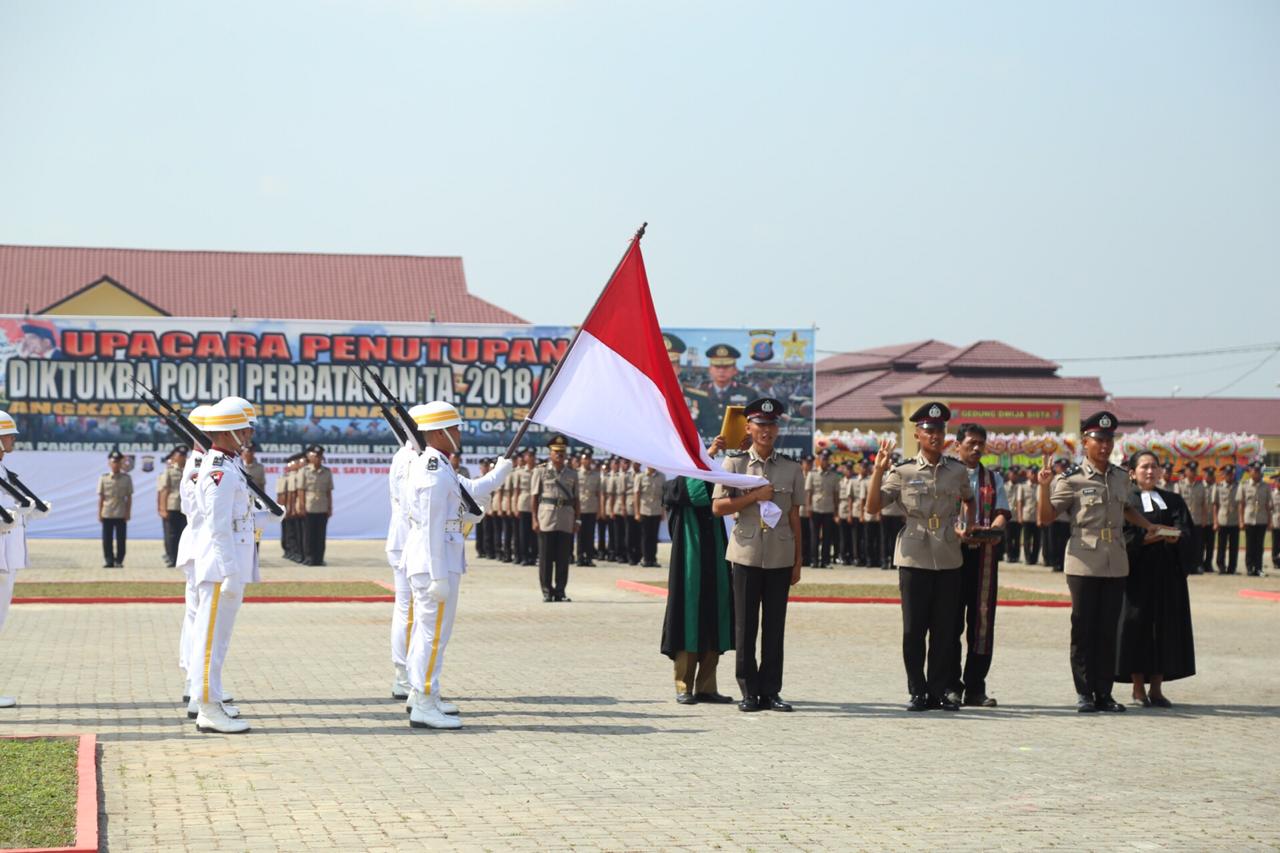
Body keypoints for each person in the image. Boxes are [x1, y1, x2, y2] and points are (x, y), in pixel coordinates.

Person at [1038, 411, 1167, 713]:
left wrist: (1147, 524)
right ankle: (1085, 692)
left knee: (1109, 629)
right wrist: (1043, 487)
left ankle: (1104, 694)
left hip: (1115, 560)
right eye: (1099, 440)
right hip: (1083, 560)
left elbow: (1125, 509)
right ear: (1085, 442)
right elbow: (1045, 518)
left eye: (1109, 440)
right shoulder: (1071, 479)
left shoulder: (1121, 476)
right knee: (1084, 628)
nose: (1105, 446)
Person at [401, 401, 512, 729]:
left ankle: (424, 692)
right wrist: (438, 576)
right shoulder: (434, 472)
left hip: (439, 557)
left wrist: (496, 475)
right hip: (436, 560)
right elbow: (434, 526)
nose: (459, 433)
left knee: (429, 633)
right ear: (437, 433)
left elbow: (468, 492)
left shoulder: (439, 464)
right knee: (432, 635)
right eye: (455, 428)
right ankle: (422, 701)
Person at [866, 402, 974, 712]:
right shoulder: (902, 471)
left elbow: (968, 499)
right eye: (929, 431)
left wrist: (966, 522)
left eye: (940, 431)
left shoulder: (957, 470)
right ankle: (917, 690)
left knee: (944, 630)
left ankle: (938, 691)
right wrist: (877, 471)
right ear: (918, 434)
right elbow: (873, 507)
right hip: (914, 554)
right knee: (914, 629)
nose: (935, 436)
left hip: (949, 554)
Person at [712, 397, 804, 713]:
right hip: (746, 553)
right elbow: (718, 507)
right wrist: (753, 497)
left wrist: (798, 559)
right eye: (760, 425)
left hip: (780, 553)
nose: (766, 430)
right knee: (746, 626)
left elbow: (794, 516)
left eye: (772, 425)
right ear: (749, 428)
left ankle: (771, 691)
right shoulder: (734, 464)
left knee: (775, 627)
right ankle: (749, 691)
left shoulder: (791, 468)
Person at [190, 398, 257, 734]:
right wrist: (230, 571)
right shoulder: (218, 469)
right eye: (244, 426)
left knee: (220, 639)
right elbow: (218, 527)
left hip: (227, 566)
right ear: (229, 430)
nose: (249, 432)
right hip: (219, 568)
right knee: (210, 639)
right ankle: (206, 707)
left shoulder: (229, 465)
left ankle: (213, 701)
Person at [1117, 450, 1197, 708]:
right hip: (1136, 576)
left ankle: (1157, 688)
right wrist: (1143, 539)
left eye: (1154, 467)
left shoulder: (1173, 500)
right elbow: (1121, 535)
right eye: (1144, 467)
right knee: (1136, 627)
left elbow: (1187, 532)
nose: (1150, 472)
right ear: (1132, 472)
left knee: (1164, 628)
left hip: (1167, 577)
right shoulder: (1125, 501)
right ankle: (1138, 688)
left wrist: (1178, 538)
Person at [663, 436, 737, 706]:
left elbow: (724, 492)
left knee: (714, 618)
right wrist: (708, 456)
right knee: (689, 620)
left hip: (716, 559)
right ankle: (684, 685)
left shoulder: (716, 478)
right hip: (689, 563)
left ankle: (707, 687)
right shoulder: (676, 485)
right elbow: (695, 493)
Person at [944, 424, 1010, 707]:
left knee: (981, 623)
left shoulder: (992, 478)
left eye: (981, 443)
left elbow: (1002, 513)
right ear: (956, 445)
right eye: (971, 443)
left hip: (983, 556)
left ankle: (975, 687)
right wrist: (954, 529)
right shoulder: (945, 474)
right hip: (951, 556)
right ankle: (950, 685)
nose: (976, 448)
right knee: (949, 622)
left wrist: (994, 530)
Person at [0, 408, 51, 709]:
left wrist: (30, 509)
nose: (13, 440)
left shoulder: (5, 472)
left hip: (7, 557)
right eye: (8, 435)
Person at [175, 406, 212, 705]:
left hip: (200, 546)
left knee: (197, 615)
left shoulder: (204, 462)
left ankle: (195, 679)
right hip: (202, 546)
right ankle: (194, 681)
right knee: (199, 617)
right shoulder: (200, 464)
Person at [385, 433, 417, 701]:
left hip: (406, 540)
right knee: (409, 610)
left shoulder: (405, 456)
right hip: (409, 541)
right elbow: (412, 505)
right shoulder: (411, 458)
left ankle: (406, 675)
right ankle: (405, 676)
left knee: (407, 608)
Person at [531, 434, 579, 602]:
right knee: (545, 558)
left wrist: (577, 520)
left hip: (566, 518)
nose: (559, 455)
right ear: (550, 453)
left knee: (562, 558)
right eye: (556, 452)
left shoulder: (572, 474)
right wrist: (534, 519)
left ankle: (560, 591)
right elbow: (534, 497)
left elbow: (576, 499)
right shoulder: (541, 471)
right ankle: (546, 591)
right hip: (546, 518)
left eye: (562, 452)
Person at [695, 344, 758, 438]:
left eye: (726, 367)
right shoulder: (698, 393)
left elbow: (754, 424)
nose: (721, 371)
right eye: (717, 367)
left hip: (738, 445)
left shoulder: (748, 393)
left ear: (735, 370)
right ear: (710, 370)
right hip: (706, 446)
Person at [98, 450, 133, 568]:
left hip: (121, 512)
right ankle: (109, 560)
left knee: (121, 539)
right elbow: (101, 497)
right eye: (113, 462)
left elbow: (129, 497)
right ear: (109, 463)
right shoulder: (103, 478)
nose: (115, 465)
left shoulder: (126, 478)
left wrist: (128, 513)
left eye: (117, 463)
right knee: (107, 539)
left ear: (121, 464)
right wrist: (99, 513)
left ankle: (119, 560)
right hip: (107, 512)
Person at [300, 445, 334, 566]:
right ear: (310, 457)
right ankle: (309, 557)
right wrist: (302, 506)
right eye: (316, 456)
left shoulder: (327, 472)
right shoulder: (304, 471)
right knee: (309, 534)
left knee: (321, 534)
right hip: (309, 506)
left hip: (322, 506)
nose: (318, 459)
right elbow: (301, 491)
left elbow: (329, 491)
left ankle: (319, 558)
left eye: (320, 456)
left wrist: (330, 507)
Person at [806, 450, 841, 568]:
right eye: (823, 459)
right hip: (815, 508)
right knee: (814, 536)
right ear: (819, 460)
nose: (825, 461)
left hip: (829, 509)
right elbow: (809, 492)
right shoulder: (812, 474)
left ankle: (825, 561)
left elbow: (836, 495)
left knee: (827, 537)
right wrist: (808, 507)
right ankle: (814, 560)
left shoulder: (834, 476)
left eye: (827, 459)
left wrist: (836, 511)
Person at [1173, 460, 1208, 575]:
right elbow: (1176, 505)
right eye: (1191, 470)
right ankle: (1185, 565)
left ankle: (1197, 565)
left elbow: (1204, 504)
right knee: (1185, 544)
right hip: (1184, 521)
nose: (1193, 473)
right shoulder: (1179, 485)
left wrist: (1204, 519)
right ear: (1186, 471)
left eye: (1194, 471)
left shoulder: (1201, 486)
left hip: (1197, 520)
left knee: (1198, 545)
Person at [157, 446, 188, 568]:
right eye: (180, 455)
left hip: (185, 507)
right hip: (172, 506)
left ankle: (182, 558)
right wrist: (163, 508)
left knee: (183, 534)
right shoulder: (169, 471)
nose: (182, 458)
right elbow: (164, 490)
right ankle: (172, 558)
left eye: (184, 455)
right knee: (172, 535)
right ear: (175, 457)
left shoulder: (189, 470)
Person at [1239, 461, 1272, 577]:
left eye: (1258, 471)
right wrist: (1241, 520)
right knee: (1250, 545)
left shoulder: (1266, 486)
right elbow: (1241, 505)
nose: (1257, 473)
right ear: (1250, 472)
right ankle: (1249, 568)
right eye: (1255, 471)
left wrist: (1269, 521)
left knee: (1259, 546)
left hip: (1261, 519)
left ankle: (1258, 568)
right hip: (1249, 519)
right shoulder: (1244, 485)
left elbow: (1268, 505)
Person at [635, 466, 667, 567]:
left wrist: (663, 511)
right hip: (644, 510)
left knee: (654, 536)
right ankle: (646, 558)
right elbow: (637, 495)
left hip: (656, 510)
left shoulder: (662, 476)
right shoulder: (640, 476)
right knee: (645, 536)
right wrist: (637, 512)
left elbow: (663, 496)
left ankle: (653, 559)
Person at [1212, 465, 1240, 574]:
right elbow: (1215, 505)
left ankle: (1232, 567)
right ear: (1224, 475)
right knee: (1221, 546)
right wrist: (1215, 521)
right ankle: (1221, 566)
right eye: (1227, 474)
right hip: (1222, 519)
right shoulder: (1218, 487)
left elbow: (1240, 505)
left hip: (1234, 520)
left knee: (1234, 546)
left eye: (1231, 474)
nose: (1230, 476)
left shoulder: (1238, 486)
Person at [577, 452, 602, 567]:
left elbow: (598, 494)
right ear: (581, 461)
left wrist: (599, 510)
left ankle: (589, 557)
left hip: (591, 508)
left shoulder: (596, 475)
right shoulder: (576, 474)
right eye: (585, 459)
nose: (587, 461)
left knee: (590, 534)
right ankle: (580, 557)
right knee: (580, 534)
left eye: (589, 459)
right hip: (580, 508)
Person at [514, 451, 536, 566]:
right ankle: (524, 557)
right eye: (529, 455)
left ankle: (533, 556)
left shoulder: (538, 471)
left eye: (532, 455)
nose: (531, 458)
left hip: (536, 505)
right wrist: (516, 507)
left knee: (534, 533)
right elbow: (516, 490)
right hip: (523, 504)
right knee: (523, 533)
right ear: (525, 457)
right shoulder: (519, 472)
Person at [1020, 467, 1042, 565]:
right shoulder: (1023, 487)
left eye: (1035, 473)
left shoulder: (1040, 487)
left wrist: (1039, 518)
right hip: (1027, 516)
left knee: (1037, 539)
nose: (1033, 475)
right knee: (1027, 539)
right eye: (1031, 473)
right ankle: (1028, 558)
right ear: (1028, 474)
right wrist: (1020, 516)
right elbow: (1020, 502)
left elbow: (1040, 503)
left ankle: (1034, 558)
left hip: (1037, 517)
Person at [798, 452, 814, 567]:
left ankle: (809, 558)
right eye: (807, 463)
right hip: (799, 511)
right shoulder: (797, 476)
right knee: (799, 536)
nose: (809, 465)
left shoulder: (815, 476)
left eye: (811, 463)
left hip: (812, 512)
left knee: (810, 536)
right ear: (802, 463)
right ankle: (800, 558)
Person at [1200, 467, 1217, 571]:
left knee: (1210, 545)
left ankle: (1208, 564)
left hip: (1212, 520)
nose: (1210, 477)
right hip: (1202, 520)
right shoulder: (1200, 486)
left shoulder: (1216, 487)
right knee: (1200, 545)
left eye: (1211, 475)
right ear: (1204, 476)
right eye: (1208, 475)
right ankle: (1200, 563)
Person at [1005, 466, 1023, 564]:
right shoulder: (1004, 486)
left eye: (1016, 474)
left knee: (1017, 538)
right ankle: (1009, 555)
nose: (1014, 476)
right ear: (1009, 475)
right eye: (1012, 474)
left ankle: (1016, 556)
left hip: (1017, 516)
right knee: (1008, 538)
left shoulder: (1020, 486)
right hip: (1007, 516)